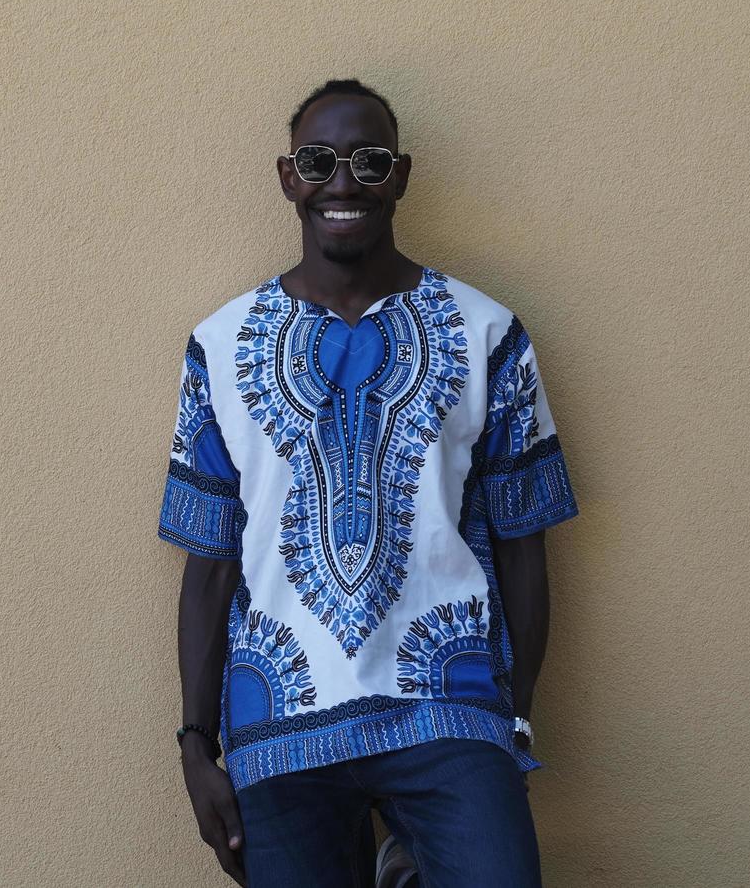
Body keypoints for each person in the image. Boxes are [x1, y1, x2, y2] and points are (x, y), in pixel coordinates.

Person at [161, 79, 580, 887]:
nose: (343, 182)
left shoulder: (486, 331)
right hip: (279, 730)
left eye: (369, 161)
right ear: (289, 177)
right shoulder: (219, 347)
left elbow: (524, 541)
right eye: (319, 161)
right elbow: (209, 565)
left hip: (448, 713)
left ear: (402, 176)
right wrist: (193, 745)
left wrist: (516, 712)